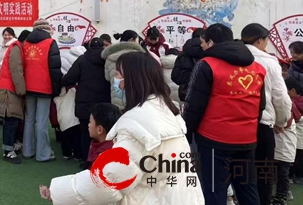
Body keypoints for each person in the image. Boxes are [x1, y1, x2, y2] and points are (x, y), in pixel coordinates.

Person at [48, 51, 204, 204]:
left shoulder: (139, 124)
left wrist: (58, 191)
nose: (115, 80)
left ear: (133, 80)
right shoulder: (167, 112)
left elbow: (110, 179)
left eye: (118, 75)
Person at [183, 24, 266, 205]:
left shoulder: (206, 65)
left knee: (215, 190)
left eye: (203, 42)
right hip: (246, 140)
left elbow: (193, 105)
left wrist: (187, 133)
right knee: (247, 188)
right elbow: (261, 106)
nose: (202, 46)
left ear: (211, 42)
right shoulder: (256, 67)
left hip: (214, 140)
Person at [241, 23, 291, 205]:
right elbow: (280, 96)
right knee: (264, 170)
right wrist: (281, 121)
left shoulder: (232, 57)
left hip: (237, 124)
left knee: (243, 170)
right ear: (260, 40)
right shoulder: (269, 61)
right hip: (262, 123)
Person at [43, 102, 121, 200]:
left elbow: (90, 187)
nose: (88, 125)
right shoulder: (101, 145)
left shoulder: (105, 155)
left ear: (99, 129)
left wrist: (56, 193)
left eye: (90, 122)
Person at [62, 37, 110, 164]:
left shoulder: (82, 60)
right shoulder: (107, 61)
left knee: (85, 132)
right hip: (104, 103)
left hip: (85, 102)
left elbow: (69, 79)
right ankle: (103, 160)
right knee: (105, 133)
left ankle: (87, 160)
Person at [22, 18, 62, 162]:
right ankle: (43, 154)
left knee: (29, 119)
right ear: (47, 29)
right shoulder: (51, 43)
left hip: (28, 86)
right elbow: (55, 68)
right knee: (42, 121)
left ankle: (27, 151)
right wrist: (56, 88)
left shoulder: (25, 43)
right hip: (44, 87)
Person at [0, 29, 25, 164]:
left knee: (11, 121)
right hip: (9, 90)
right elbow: (16, 70)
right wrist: (21, 90)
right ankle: (8, 151)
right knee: (11, 121)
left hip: (8, 88)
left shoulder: (14, 47)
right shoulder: (17, 48)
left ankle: (10, 148)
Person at [273, 77, 301, 205]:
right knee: (279, 173)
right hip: (281, 146)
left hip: (285, 146)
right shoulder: (289, 102)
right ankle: (282, 194)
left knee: (283, 174)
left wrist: (276, 125)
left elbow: (286, 123)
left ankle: (282, 196)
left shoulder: (288, 103)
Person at [102, 30, 146, 109]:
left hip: (117, 97)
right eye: (137, 41)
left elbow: (107, 78)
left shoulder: (110, 57)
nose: (138, 43)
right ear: (132, 40)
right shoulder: (139, 57)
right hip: (136, 97)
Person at [171, 28, 205, 101]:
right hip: (204, 95)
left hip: (186, 93)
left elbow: (175, 76)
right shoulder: (209, 53)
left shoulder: (182, 55)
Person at [289, 78, 303, 184]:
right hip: (298, 133)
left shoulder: (292, 102)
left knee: (296, 156)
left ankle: (293, 176)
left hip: (297, 132)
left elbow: (297, 117)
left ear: (293, 91)